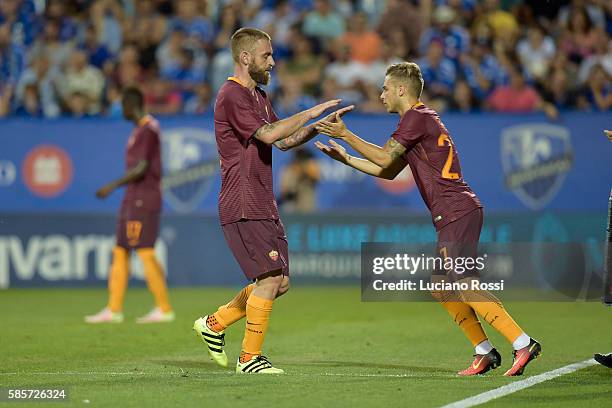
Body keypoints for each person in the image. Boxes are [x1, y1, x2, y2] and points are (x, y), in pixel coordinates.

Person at [315, 61, 541, 376]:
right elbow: (388, 170)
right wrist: (346, 158)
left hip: (456, 210)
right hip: (453, 211)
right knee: (441, 285)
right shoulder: (421, 121)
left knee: (463, 283)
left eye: (385, 88)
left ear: (401, 89)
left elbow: (382, 156)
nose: (381, 95)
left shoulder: (415, 118)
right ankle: (484, 351)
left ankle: (522, 342)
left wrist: (346, 134)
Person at [192, 27, 352, 374]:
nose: (273, 62)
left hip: (262, 200)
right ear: (245, 57)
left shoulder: (259, 96)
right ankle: (249, 358)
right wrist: (309, 112)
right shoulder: (230, 95)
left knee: (280, 281)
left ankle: (215, 324)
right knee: (268, 279)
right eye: (267, 56)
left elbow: (282, 140)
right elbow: (267, 133)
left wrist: (318, 125)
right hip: (243, 200)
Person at [85, 87, 174, 324]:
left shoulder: (148, 129)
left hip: (144, 199)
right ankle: (113, 309)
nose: (119, 110)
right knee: (120, 251)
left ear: (130, 105)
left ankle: (164, 308)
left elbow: (142, 167)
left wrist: (112, 185)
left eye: (121, 105)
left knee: (144, 251)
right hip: (132, 199)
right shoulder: (139, 130)